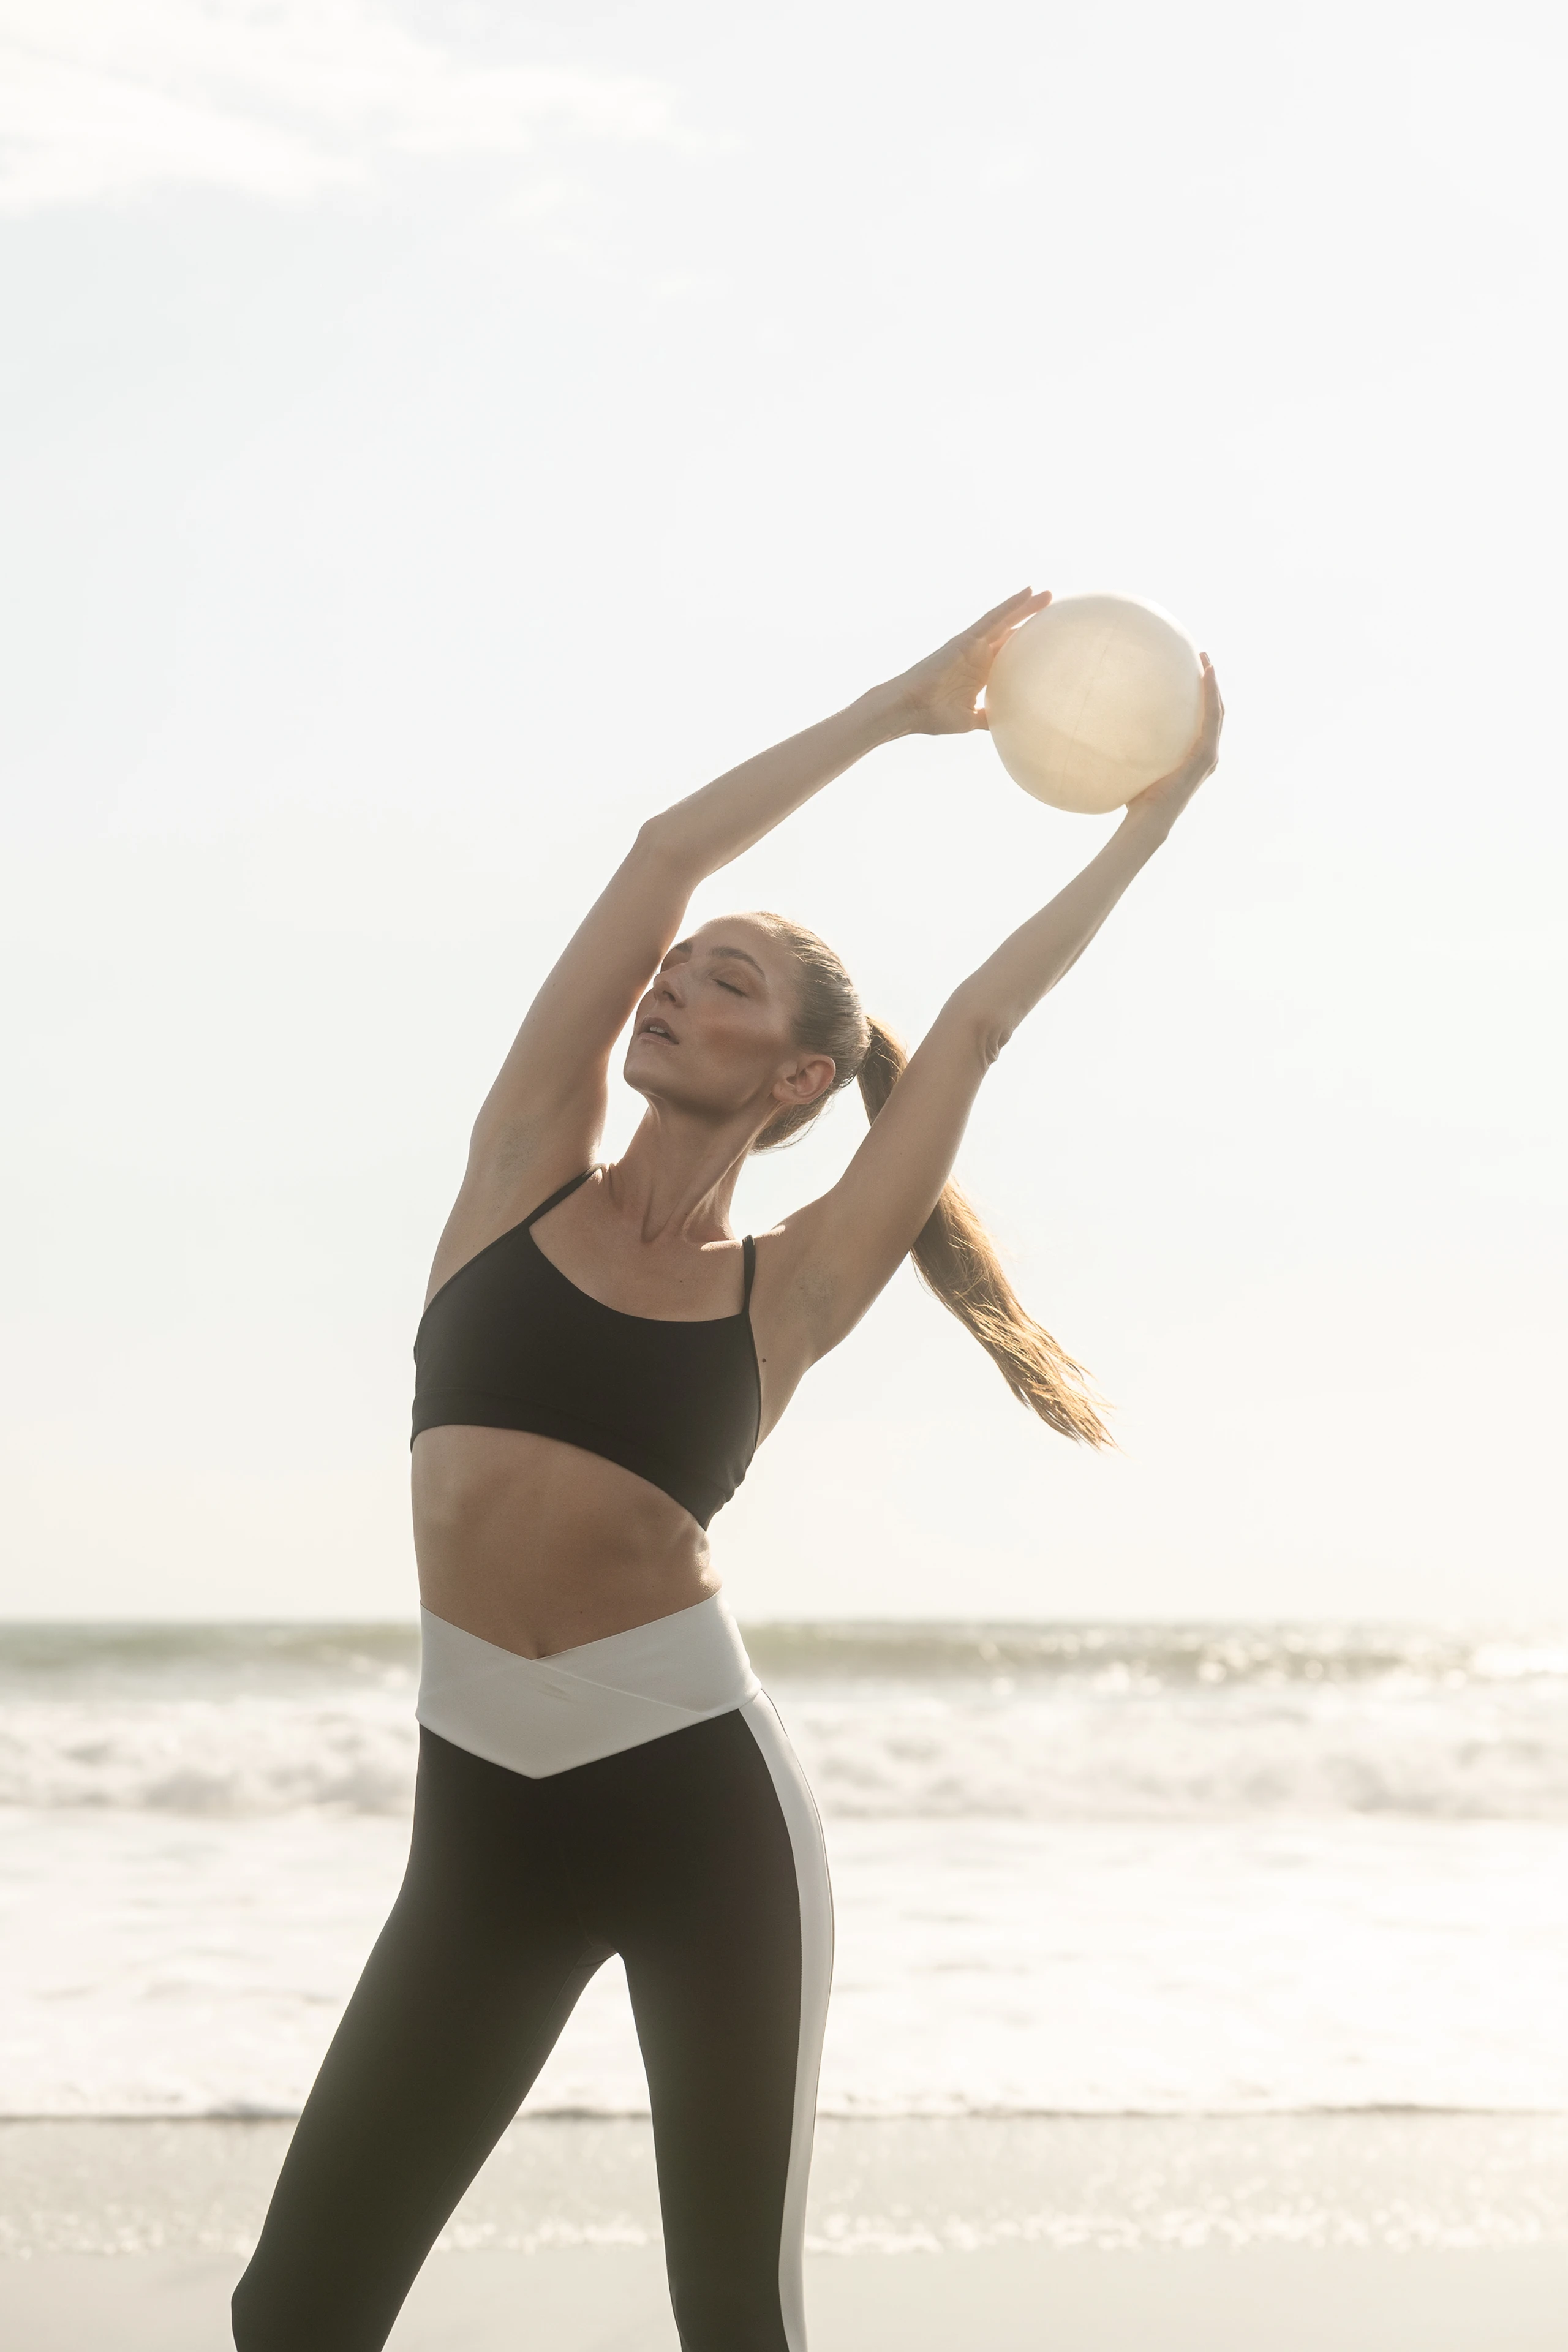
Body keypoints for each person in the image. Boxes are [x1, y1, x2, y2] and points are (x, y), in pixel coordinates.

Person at [231, 589, 1224, 2351]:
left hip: (701, 1818)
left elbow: (981, 1026)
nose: (677, 990)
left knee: (732, 2327)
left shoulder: (796, 1287)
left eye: (729, 986)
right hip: (482, 1825)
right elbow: (660, 856)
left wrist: (1150, 823)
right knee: (295, 2316)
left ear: (804, 1078)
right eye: (679, 977)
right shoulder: (519, 1171)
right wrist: (890, 711)